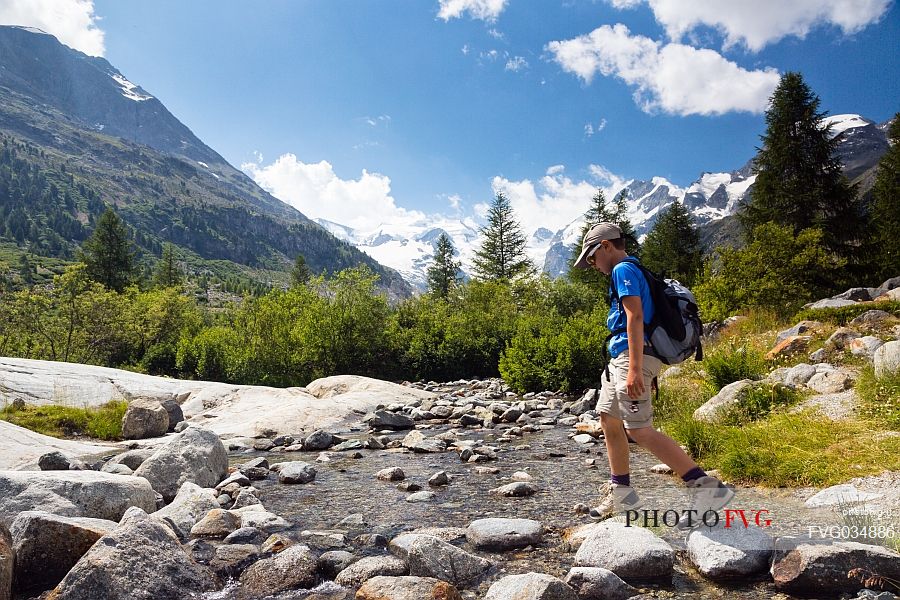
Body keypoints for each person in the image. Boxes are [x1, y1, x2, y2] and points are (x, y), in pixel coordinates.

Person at [573, 222, 733, 526]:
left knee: (638, 429)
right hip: (622, 358)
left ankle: (706, 488)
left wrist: (634, 369)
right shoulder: (632, 270)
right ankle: (622, 494)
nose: (592, 265)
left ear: (606, 246)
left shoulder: (622, 270)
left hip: (633, 358)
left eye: (592, 257)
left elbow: (634, 317)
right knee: (608, 419)